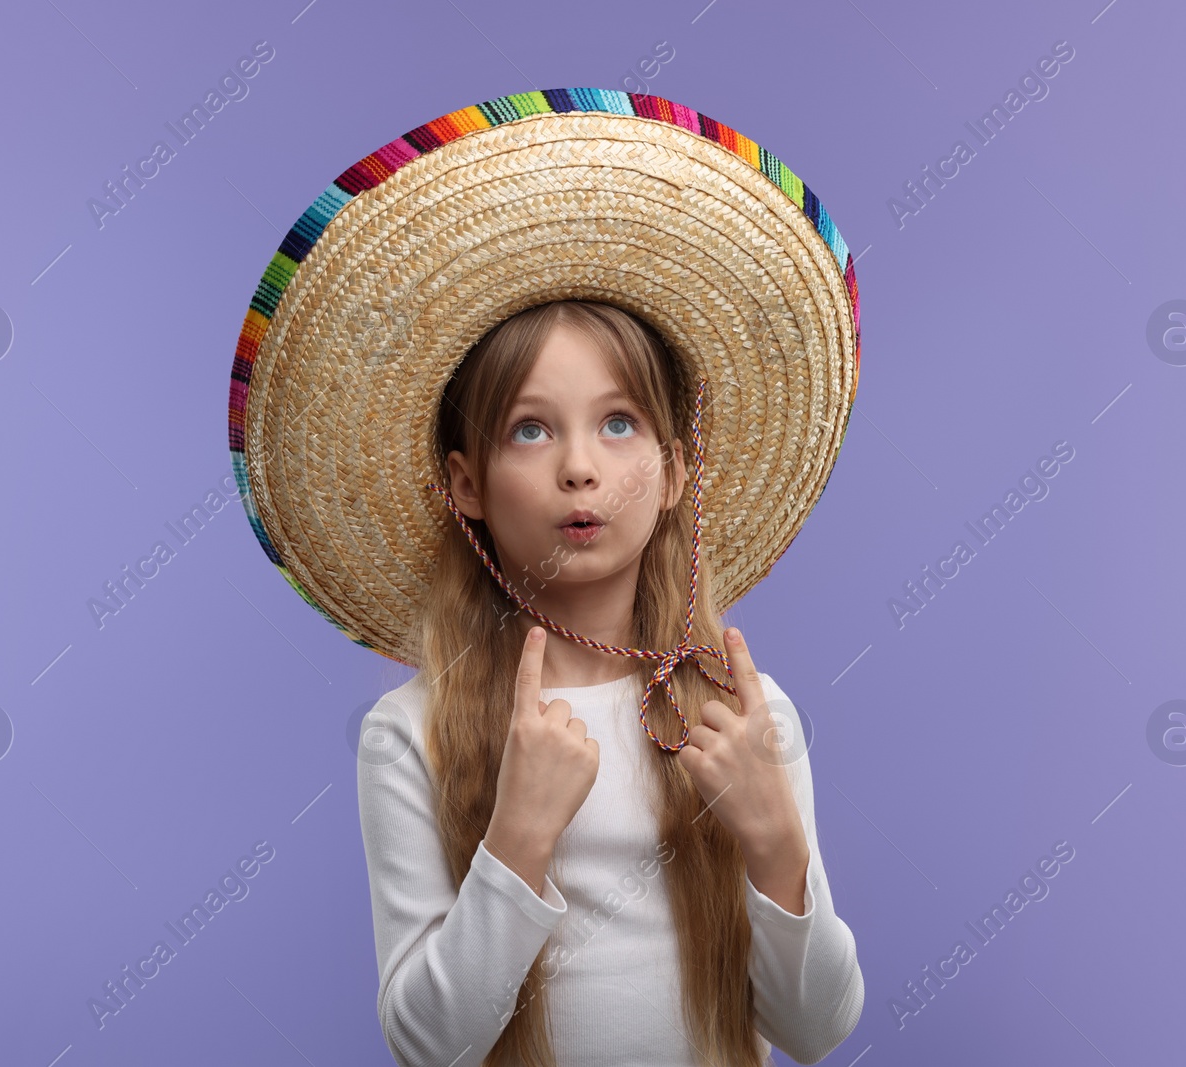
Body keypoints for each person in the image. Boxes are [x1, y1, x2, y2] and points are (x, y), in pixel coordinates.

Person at [226, 88, 865, 1066]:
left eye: (619, 422)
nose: (580, 466)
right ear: (466, 483)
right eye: (531, 427)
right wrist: (516, 834)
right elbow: (428, 1042)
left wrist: (774, 839)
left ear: (676, 471)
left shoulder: (745, 717)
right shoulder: (411, 735)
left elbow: (816, 1029)